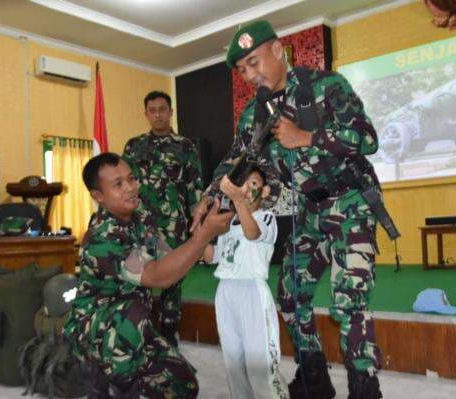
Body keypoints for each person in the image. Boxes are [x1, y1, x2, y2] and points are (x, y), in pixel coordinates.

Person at [191, 20, 384, 399]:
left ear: (279, 50)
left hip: (351, 204)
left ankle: (365, 389)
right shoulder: (254, 114)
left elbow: (367, 138)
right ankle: (315, 381)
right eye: (242, 69)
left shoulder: (326, 86)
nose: (249, 74)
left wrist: (306, 137)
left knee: (349, 303)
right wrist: (208, 195)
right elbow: (236, 161)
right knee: (292, 296)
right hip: (309, 211)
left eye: (254, 62)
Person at [63, 152, 232, 398]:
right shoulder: (104, 237)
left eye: (131, 179)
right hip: (97, 331)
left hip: (131, 328)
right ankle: (104, 384)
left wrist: (202, 244)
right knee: (132, 312)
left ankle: (128, 377)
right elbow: (157, 276)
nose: (131, 188)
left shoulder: (139, 214)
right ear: (98, 196)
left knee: (182, 386)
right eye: (118, 184)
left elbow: (165, 256)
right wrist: (203, 236)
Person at [123, 90, 204, 346]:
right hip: (141, 225)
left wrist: (197, 226)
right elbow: (124, 186)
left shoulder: (185, 146)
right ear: (146, 113)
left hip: (173, 225)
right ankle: (143, 329)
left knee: (172, 279)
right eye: (152, 110)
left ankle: (170, 333)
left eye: (162, 109)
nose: (157, 114)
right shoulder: (133, 146)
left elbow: (195, 188)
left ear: (171, 112)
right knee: (140, 277)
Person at [202, 168, 287, 399]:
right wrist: (202, 230)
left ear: (265, 190)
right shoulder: (228, 224)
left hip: (252, 292)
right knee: (234, 361)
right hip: (226, 292)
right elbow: (211, 257)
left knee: (260, 361)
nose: (247, 189)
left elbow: (252, 234)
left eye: (254, 183)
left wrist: (238, 201)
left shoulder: (266, 218)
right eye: (242, 184)